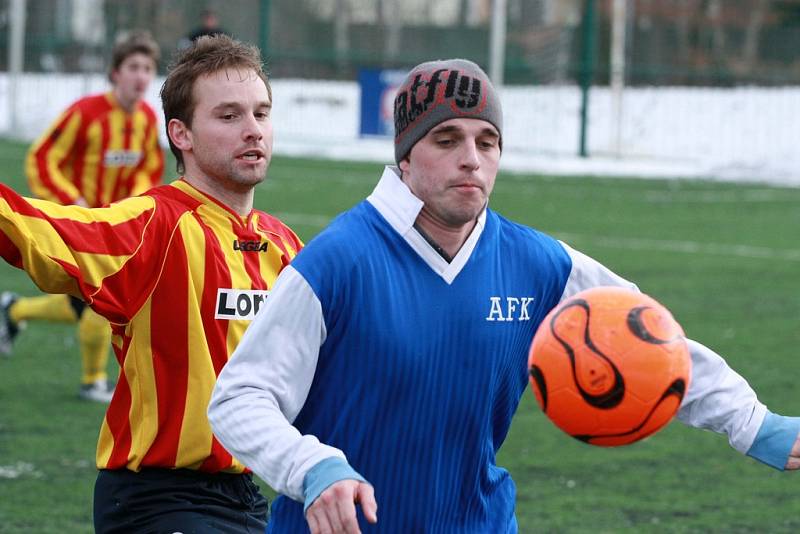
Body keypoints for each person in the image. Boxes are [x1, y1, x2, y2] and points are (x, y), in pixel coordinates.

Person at [208, 59, 800, 533]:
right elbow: (239, 398)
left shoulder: (538, 263)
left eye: (487, 141)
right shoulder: (338, 262)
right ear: (406, 154)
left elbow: (651, 340)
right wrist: (311, 468)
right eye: (447, 138)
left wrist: (753, 423)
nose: (471, 158)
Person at [0, 34, 301, 532]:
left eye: (261, 114)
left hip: (247, 495)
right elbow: (34, 229)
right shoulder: (151, 227)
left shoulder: (285, 246)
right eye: (229, 117)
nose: (253, 131)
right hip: (157, 498)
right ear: (181, 135)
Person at [0, 30, 163, 402]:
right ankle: (92, 381)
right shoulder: (86, 113)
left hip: (115, 230)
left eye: (147, 68)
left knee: (83, 300)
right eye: (133, 66)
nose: (141, 76)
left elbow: (150, 167)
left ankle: (14, 310)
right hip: (80, 225)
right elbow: (41, 158)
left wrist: (136, 200)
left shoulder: (146, 119)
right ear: (115, 72)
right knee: (105, 301)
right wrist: (72, 202)